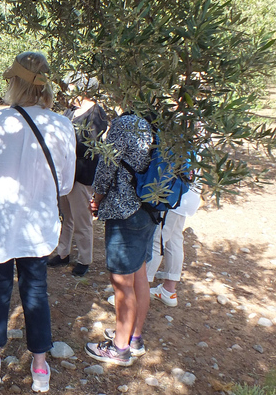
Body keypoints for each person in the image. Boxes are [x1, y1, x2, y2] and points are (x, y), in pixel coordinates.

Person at [0, 51, 76, 393]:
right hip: (38, 222)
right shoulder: (62, 124)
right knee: (36, 290)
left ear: (15, 83)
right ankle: (40, 369)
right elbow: (66, 184)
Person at [86, 112, 155, 366]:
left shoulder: (127, 123)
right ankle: (134, 338)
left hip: (125, 211)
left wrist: (97, 198)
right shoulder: (156, 121)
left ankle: (120, 349)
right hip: (149, 208)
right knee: (139, 274)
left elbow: (106, 167)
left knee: (122, 283)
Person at [48, 77, 107, 276]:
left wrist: (63, 144)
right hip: (66, 173)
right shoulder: (71, 110)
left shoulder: (96, 113)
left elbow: (88, 144)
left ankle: (84, 260)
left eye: (72, 85)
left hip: (82, 174)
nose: (68, 88)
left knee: (82, 221)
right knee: (65, 216)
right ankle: (63, 253)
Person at [147, 178, 202, 307]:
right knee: (174, 239)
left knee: (157, 241)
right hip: (188, 196)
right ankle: (168, 290)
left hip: (174, 197)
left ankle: (136, 290)